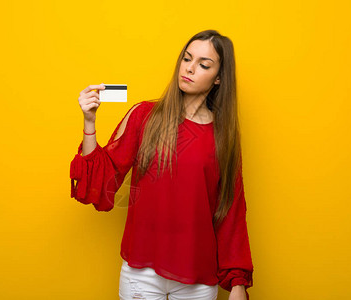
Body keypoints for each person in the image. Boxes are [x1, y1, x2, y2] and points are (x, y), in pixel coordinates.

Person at [70, 30, 254, 300]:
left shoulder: (223, 136)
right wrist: (89, 122)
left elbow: (231, 211)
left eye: (203, 64)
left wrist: (237, 283)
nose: (190, 68)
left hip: (198, 277)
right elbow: (103, 183)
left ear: (218, 78)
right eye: (187, 59)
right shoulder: (144, 116)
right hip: (141, 273)